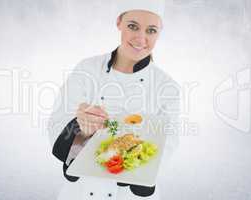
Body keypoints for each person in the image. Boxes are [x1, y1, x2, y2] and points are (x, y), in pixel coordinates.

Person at [48, 1, 181, 199]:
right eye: (132, 26)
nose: (141, 38)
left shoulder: (167, 87)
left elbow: (167, 146)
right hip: (82, 193)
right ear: (119, 22)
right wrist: (79, 129)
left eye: (151, 30)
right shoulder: (87, 69)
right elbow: (56, 122)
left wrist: (132, 161)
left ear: (160, 31)